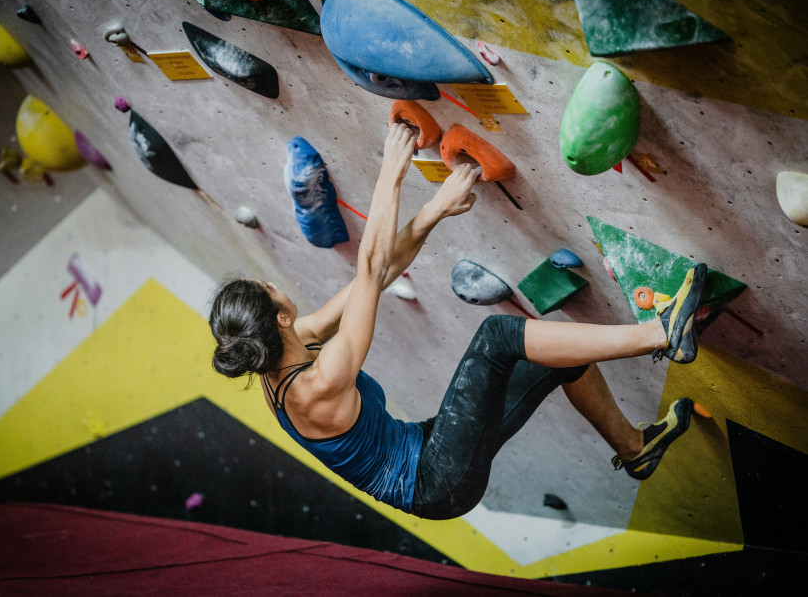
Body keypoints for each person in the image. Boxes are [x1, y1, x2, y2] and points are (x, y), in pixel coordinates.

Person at [209, 123, 706, 520]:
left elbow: (376, 279)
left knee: (558, 358)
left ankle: (637, 449)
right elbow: (370, 268)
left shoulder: (295, 344)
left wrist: (434, 212)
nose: (275, 285)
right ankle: (662, 334)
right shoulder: (318, 384)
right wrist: (392, 170)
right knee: (498, 337)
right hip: (436, 482)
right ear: (278, 316)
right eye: (267, 289)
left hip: (430, 447)